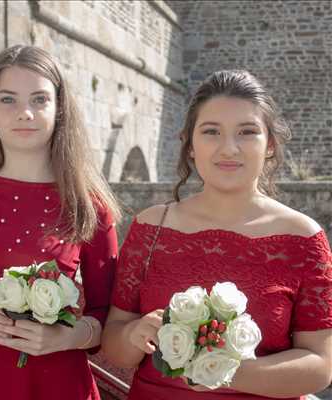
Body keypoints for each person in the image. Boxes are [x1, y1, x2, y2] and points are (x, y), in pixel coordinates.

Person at [102, 70, 332, 399]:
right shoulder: (151, 229)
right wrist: (134, 335)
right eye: (211, 131)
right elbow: (115, 345)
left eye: (247, 132)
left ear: (270, 145)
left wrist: (220, 371)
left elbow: (320, 365)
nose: (229, 148)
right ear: (190, 145)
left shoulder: (304, 239)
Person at [0, 45, 120, 400]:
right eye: (8, 100)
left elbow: (107, 314)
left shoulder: (88, 201)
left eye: (39, 99)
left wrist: (67, 336)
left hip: (57, 382)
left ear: (59, 108)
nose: (25, 113)